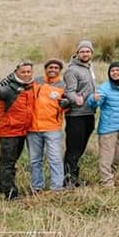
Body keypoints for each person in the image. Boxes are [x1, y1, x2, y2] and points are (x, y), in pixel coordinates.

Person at [0, 61, 36, 199]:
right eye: (23, 72)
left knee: (7, 162)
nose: (26, 74)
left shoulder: (30, 87)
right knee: (8, 164)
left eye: (29, 71)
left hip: (22, 131)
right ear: (17, 72)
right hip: (8, 132)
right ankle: (11, 194)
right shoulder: (10, 88)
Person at [28, 59, 77, 192]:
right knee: (35, 160)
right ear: (46, 68)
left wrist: (66, 103)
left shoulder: (63, 86)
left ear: (59, 70)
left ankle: (57, 188)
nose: (53, 70)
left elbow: (68, 105)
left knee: (55, 159)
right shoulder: (35, 82)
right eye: (50, 67)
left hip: (52, 128)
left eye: (56, 68)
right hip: (33, 128)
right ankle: (37, 187)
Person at [62, 40, 98, 187]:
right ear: (77, 53)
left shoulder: (89, 68)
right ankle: (69, 180)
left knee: (81, 148)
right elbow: (69, 91)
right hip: (76, 115)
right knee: (74, 148)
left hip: (88, 113)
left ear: (91, 53)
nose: (85, 54)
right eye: (82, 51)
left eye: (88, 51)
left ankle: (74, 178)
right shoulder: (72, 70)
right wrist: (76, 98)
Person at [91, 61, 119, 186]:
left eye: (117, 70)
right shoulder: (105, 87)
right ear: (109, 73)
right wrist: (93, 100)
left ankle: (112, 177)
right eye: (112, 71)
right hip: (109, 128)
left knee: (118, 155)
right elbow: (95, 102)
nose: (115, 73)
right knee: (107, 157)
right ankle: (106, 182)